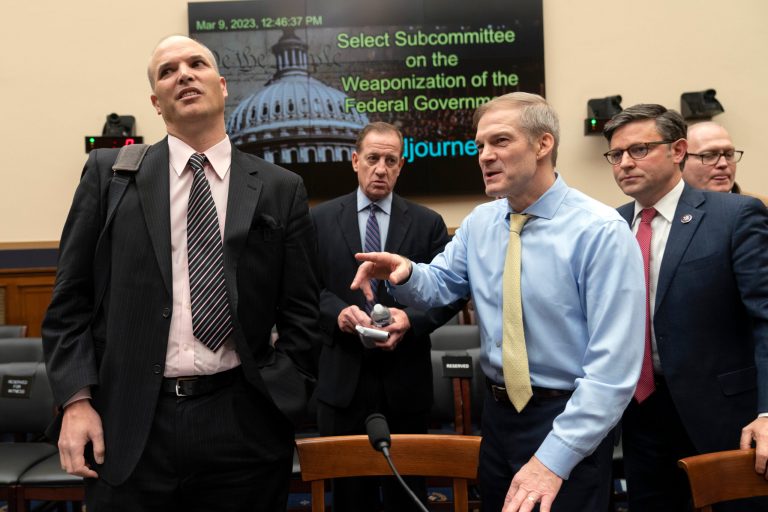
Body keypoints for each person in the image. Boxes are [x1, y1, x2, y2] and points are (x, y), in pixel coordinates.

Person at [41, 35, 320, 511]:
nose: (184, 74)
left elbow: (302, 313)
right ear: (156, 101)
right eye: (168, 71)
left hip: (242, 423)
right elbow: (70, 303)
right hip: (128, 426)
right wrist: (75, 401)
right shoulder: (109, 177)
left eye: (197, 63)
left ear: (223, 85)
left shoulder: (280, 188)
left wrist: (282, 398)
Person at [351, 92, 646, 512]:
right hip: (496, 419)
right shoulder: (481, 222)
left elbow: (612, 374)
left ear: (543, 144)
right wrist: (406, 272)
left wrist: (552, 460)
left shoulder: (600, 232)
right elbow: (440, 285)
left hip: (567, 420)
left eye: (500, 142)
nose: (485, 156)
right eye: (479, 146)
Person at [603, 104, 768, 511]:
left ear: (677, 150)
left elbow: (765, 319)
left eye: (639, 149)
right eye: (616, 154)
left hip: (725, 415)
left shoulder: (734, 216)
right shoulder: (609, 225)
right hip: (641, 415)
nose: (625, 163)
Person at [311, 121, 464, 511]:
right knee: (349, 499)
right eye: (373, 158)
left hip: (405, 381)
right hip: (342, 381)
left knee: (406, 496)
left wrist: (411, 320)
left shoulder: (428, 223)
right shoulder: (319, 220)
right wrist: (339, 314)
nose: (381, 168)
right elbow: (304, 289)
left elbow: (449, 295)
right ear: (355, 160)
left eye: (390, 160)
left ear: (400, 167)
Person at [683, 121, 768, 205]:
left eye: (729, 154)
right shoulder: (671, 210)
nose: (723, 164)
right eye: (709, 155)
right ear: (681, 160)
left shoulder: (761, 210)